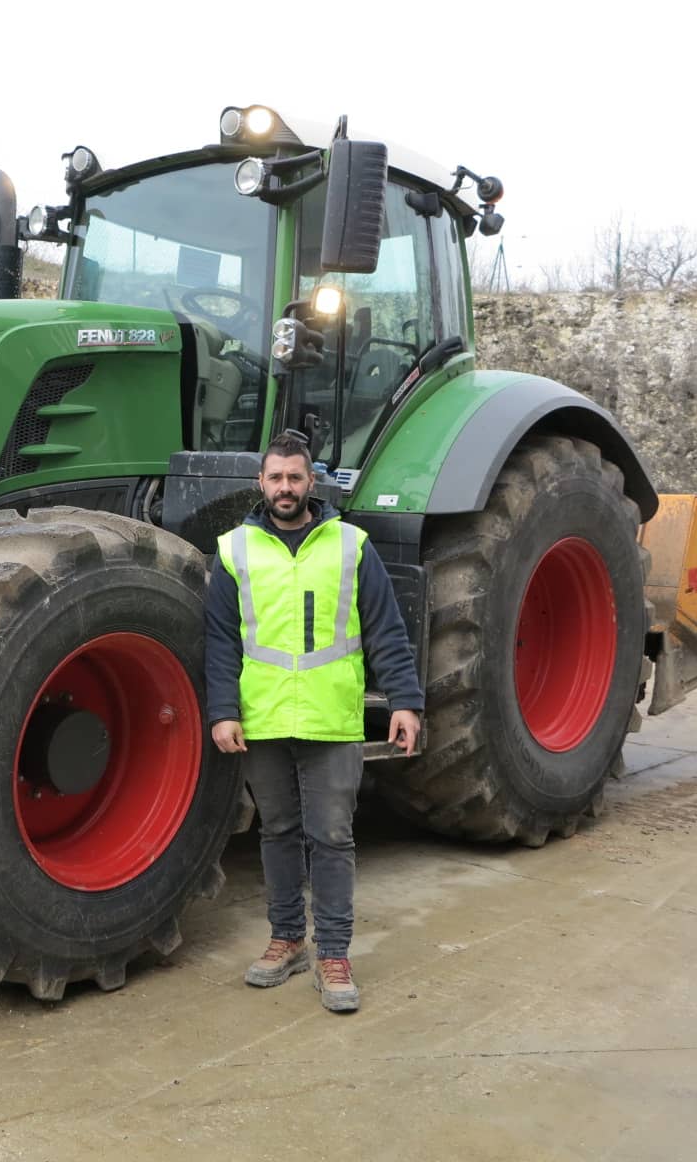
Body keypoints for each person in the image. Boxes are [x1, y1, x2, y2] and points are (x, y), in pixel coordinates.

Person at [205, 430, 424, 1013]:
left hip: (331, 719)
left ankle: (333, 952)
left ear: (311, 482)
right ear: (261, 482)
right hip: (265, 718)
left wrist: (404, 700)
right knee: (277, 834)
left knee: (331, 837)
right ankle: (286, 940)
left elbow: (386, 629)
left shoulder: (352, 546)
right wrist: (223, 711)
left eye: (294, 478)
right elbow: (221, 642)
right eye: (275, 478)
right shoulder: (235, 551)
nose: (285, 488)